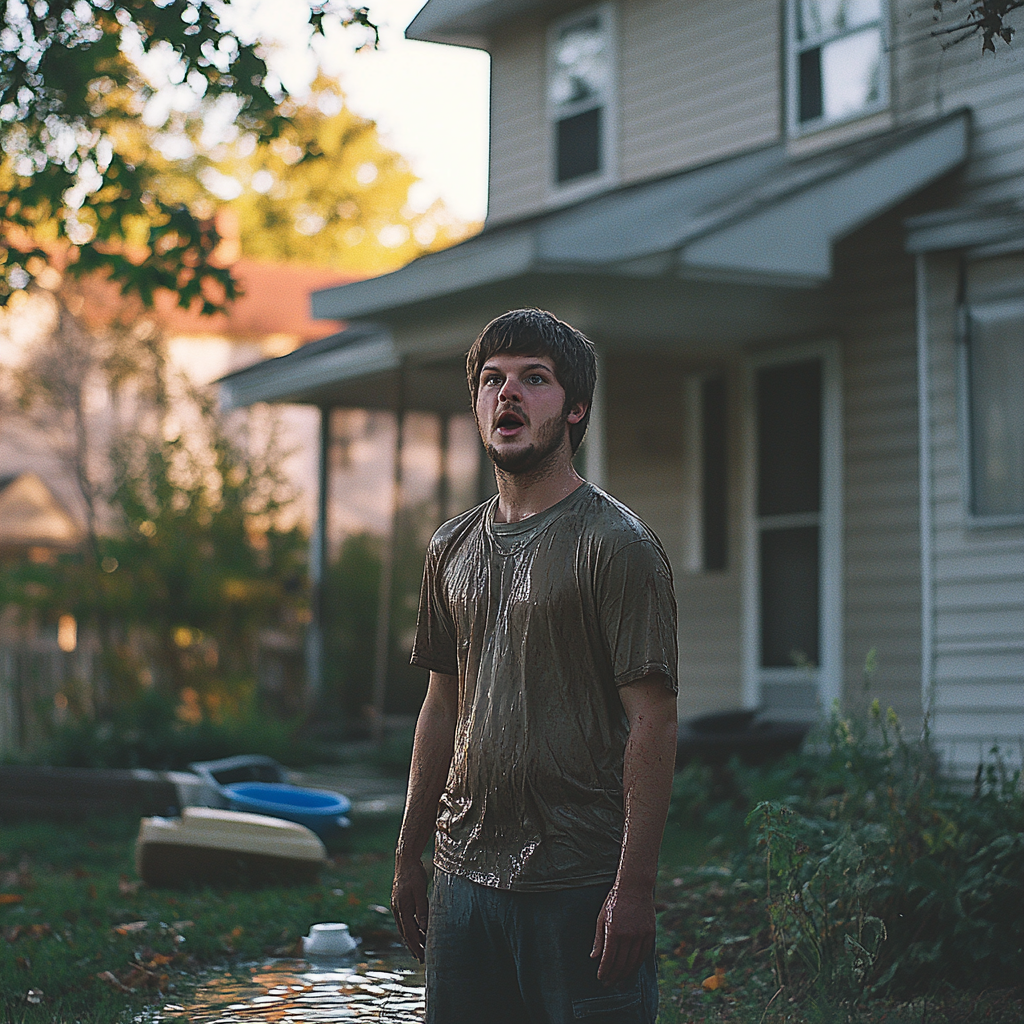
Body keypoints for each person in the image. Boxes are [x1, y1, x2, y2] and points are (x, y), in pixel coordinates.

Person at [391, 308, 678, 1024]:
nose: (507, 394)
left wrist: (634, 888)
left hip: (578, 884)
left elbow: (654, 718)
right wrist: (408, 852)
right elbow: (441, 705)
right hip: (464, 877)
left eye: (534, 379)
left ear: (575, 408)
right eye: (492, 380)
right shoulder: (450, 549)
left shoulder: (617, 544)